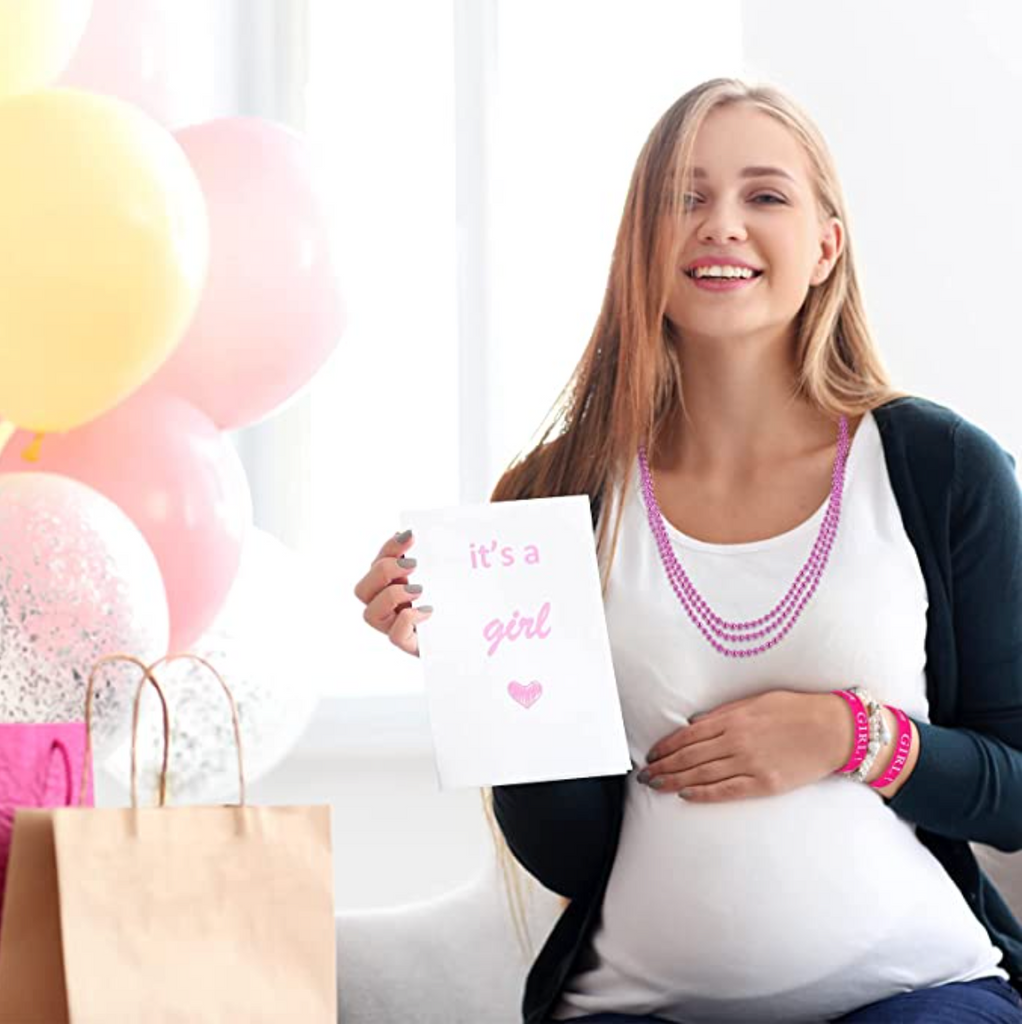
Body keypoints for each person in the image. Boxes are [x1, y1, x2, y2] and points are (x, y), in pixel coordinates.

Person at [354, 77, 1022, 1024]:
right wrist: (483, 672)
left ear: (826, 246)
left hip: (921, 994)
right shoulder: (554, 495)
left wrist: (850, 736)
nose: (722, 225)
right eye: (685, 197)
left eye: (765, 195)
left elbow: (1014, 792)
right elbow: (569, 856)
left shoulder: (942, 469)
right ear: (641, 244)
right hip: (633, 1006)